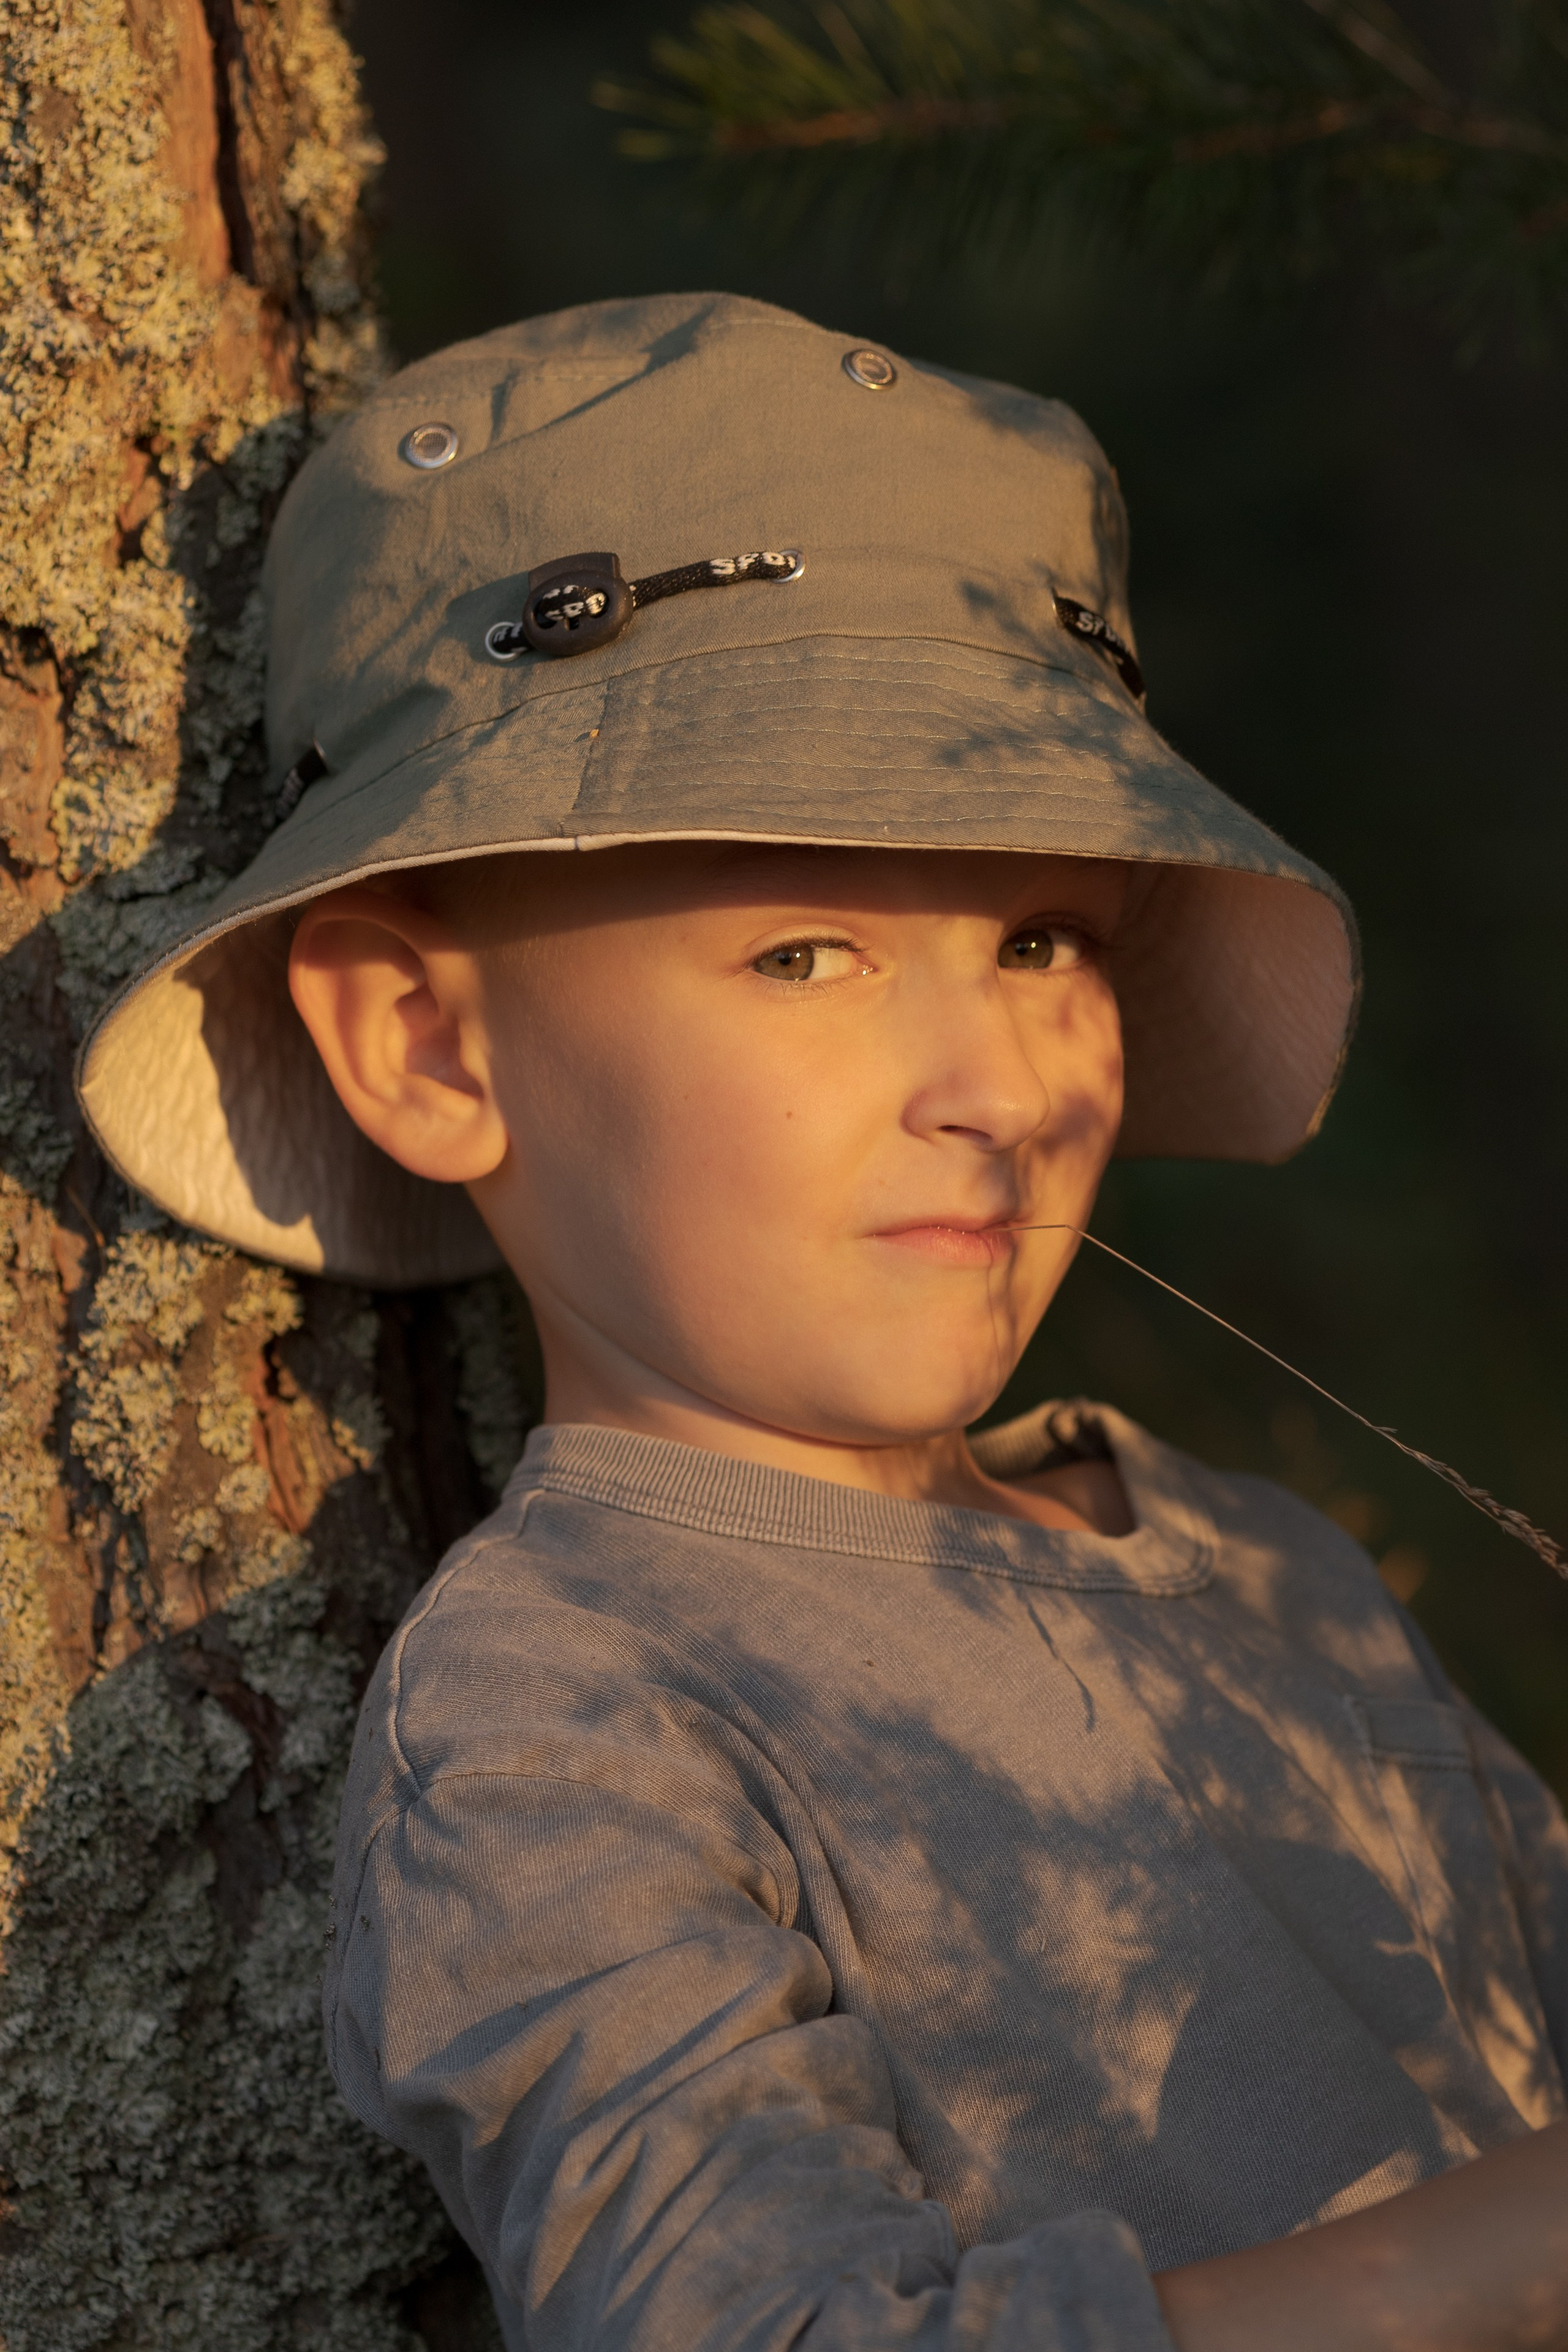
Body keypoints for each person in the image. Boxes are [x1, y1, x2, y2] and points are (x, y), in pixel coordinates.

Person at [77, 293, 1568, 2352]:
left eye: (1046, 938)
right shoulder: (564, 1717)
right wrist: (1477, 2267)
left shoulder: (1270, 1570)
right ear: (423, 1045)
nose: (998, 1083)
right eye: (807, 951)